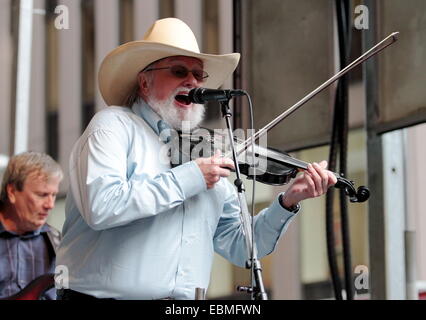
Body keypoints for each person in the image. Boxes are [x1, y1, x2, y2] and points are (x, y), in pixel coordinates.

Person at [56, 17, 337, 300]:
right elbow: (102, 206)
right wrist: (191, 177)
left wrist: (288, 202)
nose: (191, 81)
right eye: (178, 71)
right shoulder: (113, 125)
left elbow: (242, 247)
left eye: (198, 75)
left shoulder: (201, 151)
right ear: (144, 82)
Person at [0, 151, 63, 300]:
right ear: (12, 191)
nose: (50, 205)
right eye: (42, 195)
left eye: (53, 195)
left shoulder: (59, 243)